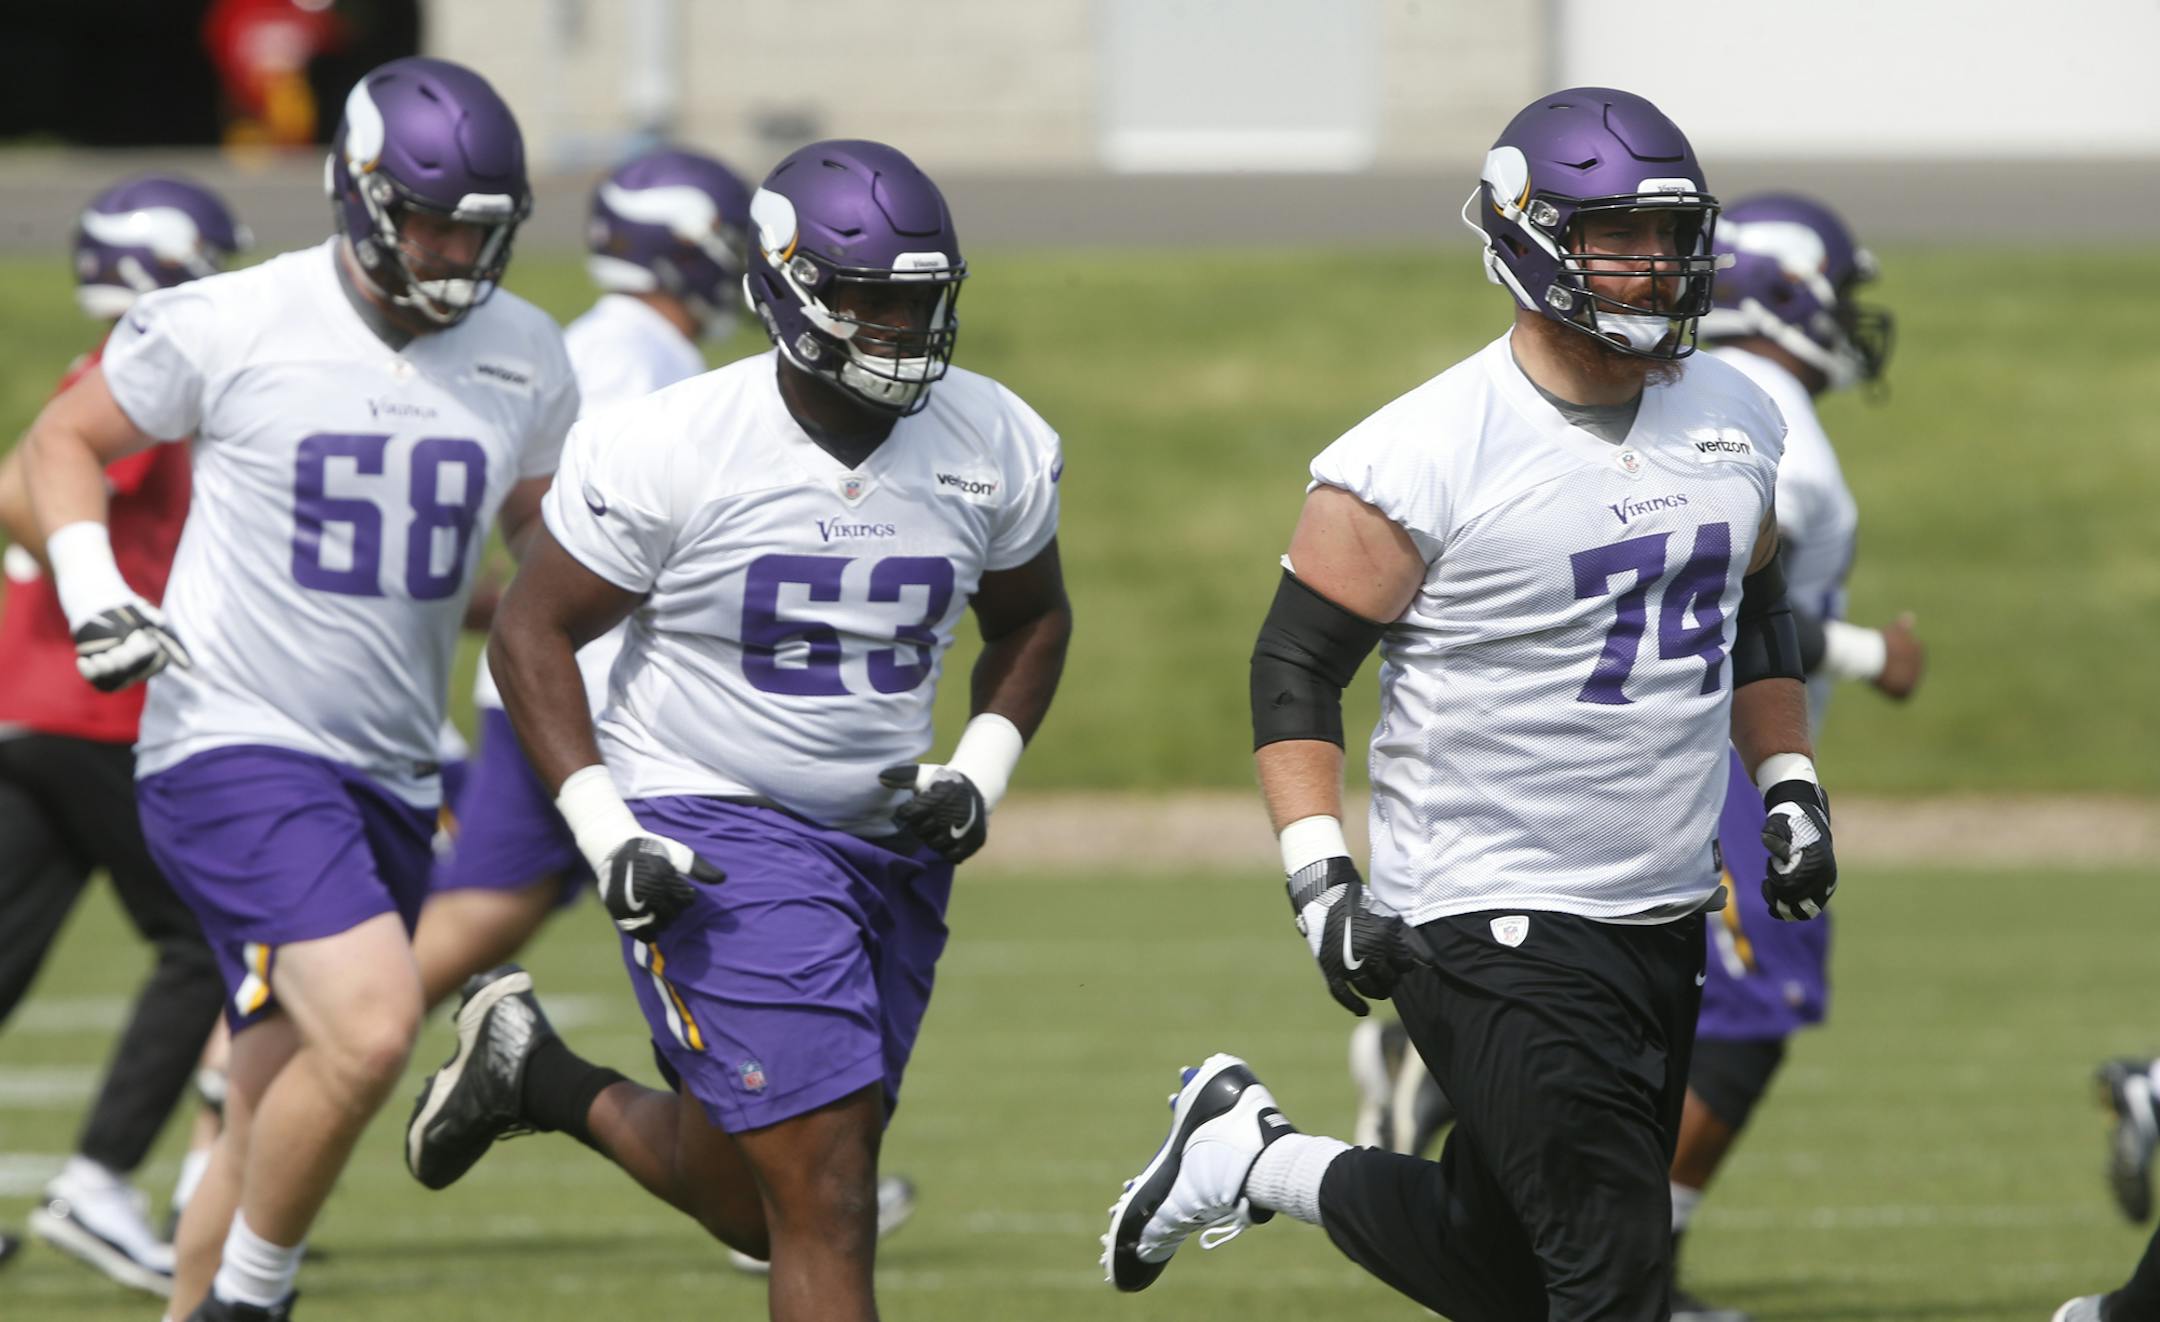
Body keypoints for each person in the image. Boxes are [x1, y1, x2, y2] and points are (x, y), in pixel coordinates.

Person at [1100, 87, 1839, 1321]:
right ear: (1527, 232)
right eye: (1619, 235)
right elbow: (1294, 667)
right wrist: (1321, 877)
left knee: (1502, 1261)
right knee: (1611, 1278)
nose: (1655, 266)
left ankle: (1247, 1155)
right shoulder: (1421, 452)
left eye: (1669, 235)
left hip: (1659, 906)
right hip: (1488, 908)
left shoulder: (1737, 412)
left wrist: (1790, 784)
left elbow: (1755, 612)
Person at [402, 138, 1070, 1322]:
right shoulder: (676, 442)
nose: (899, 330)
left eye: (918, 301)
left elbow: (1031, 617)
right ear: (783, 286)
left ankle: (534, 1073)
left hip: (887, 841)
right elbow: (531, 633)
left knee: (752, 1197)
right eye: (866, 300)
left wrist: (981, 766)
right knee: (829, 1195)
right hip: (715, 825)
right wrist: (611, 836)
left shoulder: (995, 436)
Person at [7, 56, 574, 1322]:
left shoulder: (527, 353)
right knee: (373, 1029)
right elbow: (59, 445)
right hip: (229, 744)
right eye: (433, 219)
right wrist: (98, 587)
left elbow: (545, 552)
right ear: (363, 198)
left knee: (272, 1089)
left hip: (387, 762)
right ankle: (248, 1304)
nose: (457, 251)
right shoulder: (237, 316)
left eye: (482, 228)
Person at [412, 145, 753, 1010]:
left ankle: (275, 1058)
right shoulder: (632, 360)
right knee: (735, 910)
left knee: (484, 910)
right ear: (686, 245)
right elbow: (560, 521)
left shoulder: (620, 347)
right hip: (602, 695)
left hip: (573, 684)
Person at [1667, 191, 1925, 1321]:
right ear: (1785, 285)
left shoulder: (1712, 398)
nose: (1852, 314)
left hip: (1693, 747)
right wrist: (1873, 651)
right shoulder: (1771, 428)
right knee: (1750, 1015)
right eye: (1840, 287)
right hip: (1718, 754)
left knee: (1671, 1021)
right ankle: (1630, 1277)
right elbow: (1714, 598)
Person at [0, 175, 246, 1296]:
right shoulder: (134, 376)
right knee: (206, 934)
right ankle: (99, 1181)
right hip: (101, 710)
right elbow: (23, 484)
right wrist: (89, 572)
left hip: (32, 703)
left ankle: (108, 1182)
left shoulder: (107, 366)